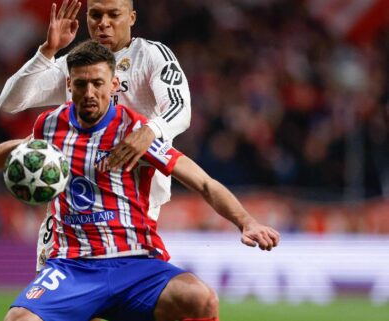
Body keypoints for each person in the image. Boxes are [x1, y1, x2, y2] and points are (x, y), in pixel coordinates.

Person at [15, 40, 279, 321]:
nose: (90, 92)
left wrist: (246, 221)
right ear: (70, 86)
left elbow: (203, 182)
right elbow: (13, 148)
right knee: (21, 319)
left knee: (200, 299)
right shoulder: (51, 126)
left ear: (114, 85)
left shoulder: (135, 132)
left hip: (135, 263)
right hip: (73, 266)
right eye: (82, 84)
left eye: (97, 83)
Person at [0, 0, 193, 272]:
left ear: (132, 17)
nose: (103, 22)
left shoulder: (151, 55)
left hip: (132, 198)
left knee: (124, 296)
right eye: (95, 14)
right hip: (74, 199)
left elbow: (180, 108)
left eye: (113, 14)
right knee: (57, 301)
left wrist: (150, 131)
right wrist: (48, 51)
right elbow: (10, 102)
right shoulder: (75, 65)